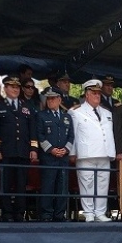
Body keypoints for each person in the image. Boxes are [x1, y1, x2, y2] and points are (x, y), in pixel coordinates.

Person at [69, 79, 116, 222]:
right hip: (86, 153)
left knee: (103, 184)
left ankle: (100, 212)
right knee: (87, 184)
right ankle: (88, 213)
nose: (97, 96)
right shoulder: (75, 112)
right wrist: (72, 152)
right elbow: (73, 134)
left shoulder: (107, 112)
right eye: (94, 93)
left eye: (98, 93)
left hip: (104, 153)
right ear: (87, 94)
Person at [0, 75, 38, 221]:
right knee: (5, 184)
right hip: (6, 151)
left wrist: (33, 149)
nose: (15, 89)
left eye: (17, 87)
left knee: (21, 184)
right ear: (5, 88)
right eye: (12, 86)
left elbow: (32, 129)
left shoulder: (26, 107)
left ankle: (20, 213)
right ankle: (6, 213)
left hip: (23, 151)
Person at [36, 88, 74, 222]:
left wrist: (66, 149)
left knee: (62, 187)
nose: (50, 101)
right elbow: (40, 135)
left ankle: (59, 214)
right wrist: (51, 149)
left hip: (63, 158)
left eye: (53, 98)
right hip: (49, 157)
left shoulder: (66, 116)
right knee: (48, 186)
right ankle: (46, 214)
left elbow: (71, 136)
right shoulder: (41, 115)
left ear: (59, 100)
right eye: (48, 98)